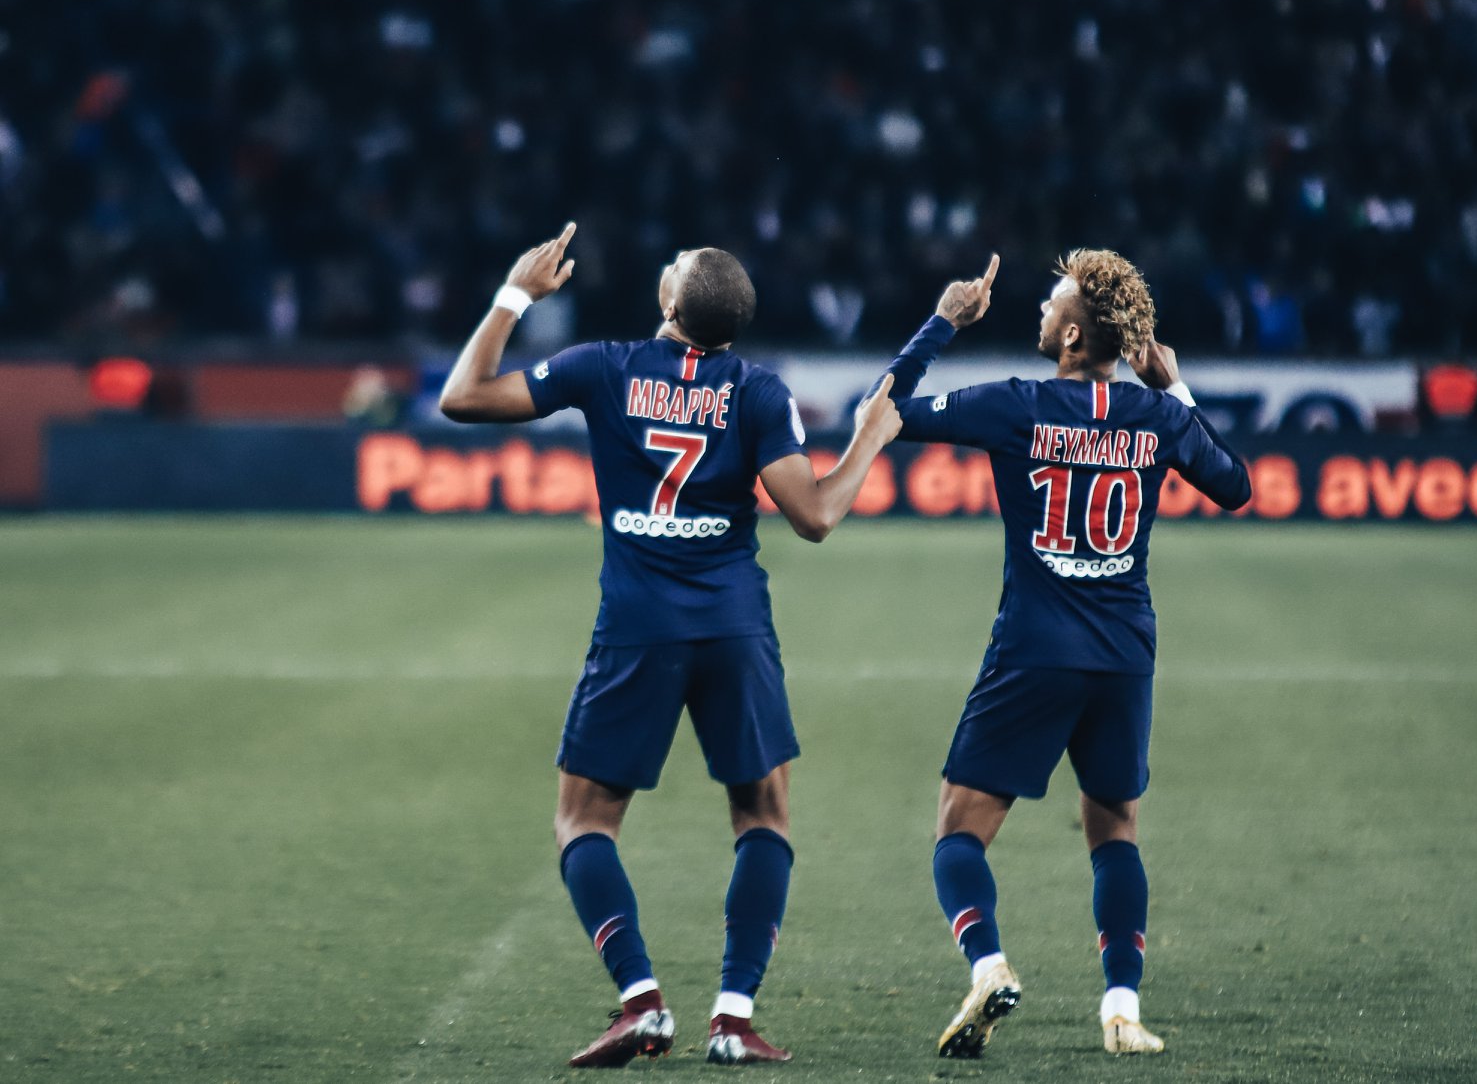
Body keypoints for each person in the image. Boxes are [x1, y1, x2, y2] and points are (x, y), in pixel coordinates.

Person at [439, 223, 904, 1067]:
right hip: (733, 627)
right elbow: (815, 516)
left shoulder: (603, 366)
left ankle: (641, 1001)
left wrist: (515, 293)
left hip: (637, 628)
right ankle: (733, 1019)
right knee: (762, 816)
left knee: (584, 819)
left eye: (676, 266)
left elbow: (462, 396)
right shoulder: (758, 392)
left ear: (668, 301)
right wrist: (869, 434)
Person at [877, 249, 1252, 1058]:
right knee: (1114, 831)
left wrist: (942, 322)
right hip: (1123, 654)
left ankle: (988, 966)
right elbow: (1234, 485)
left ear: (1074, 336)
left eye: (1052, 304)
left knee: (958, 829)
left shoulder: (1016, 405)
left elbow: (887, 410)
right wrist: (1174, 388)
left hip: (1034, 648)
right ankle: (1121, 1011)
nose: (1041, 313)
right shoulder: (1156, 417)